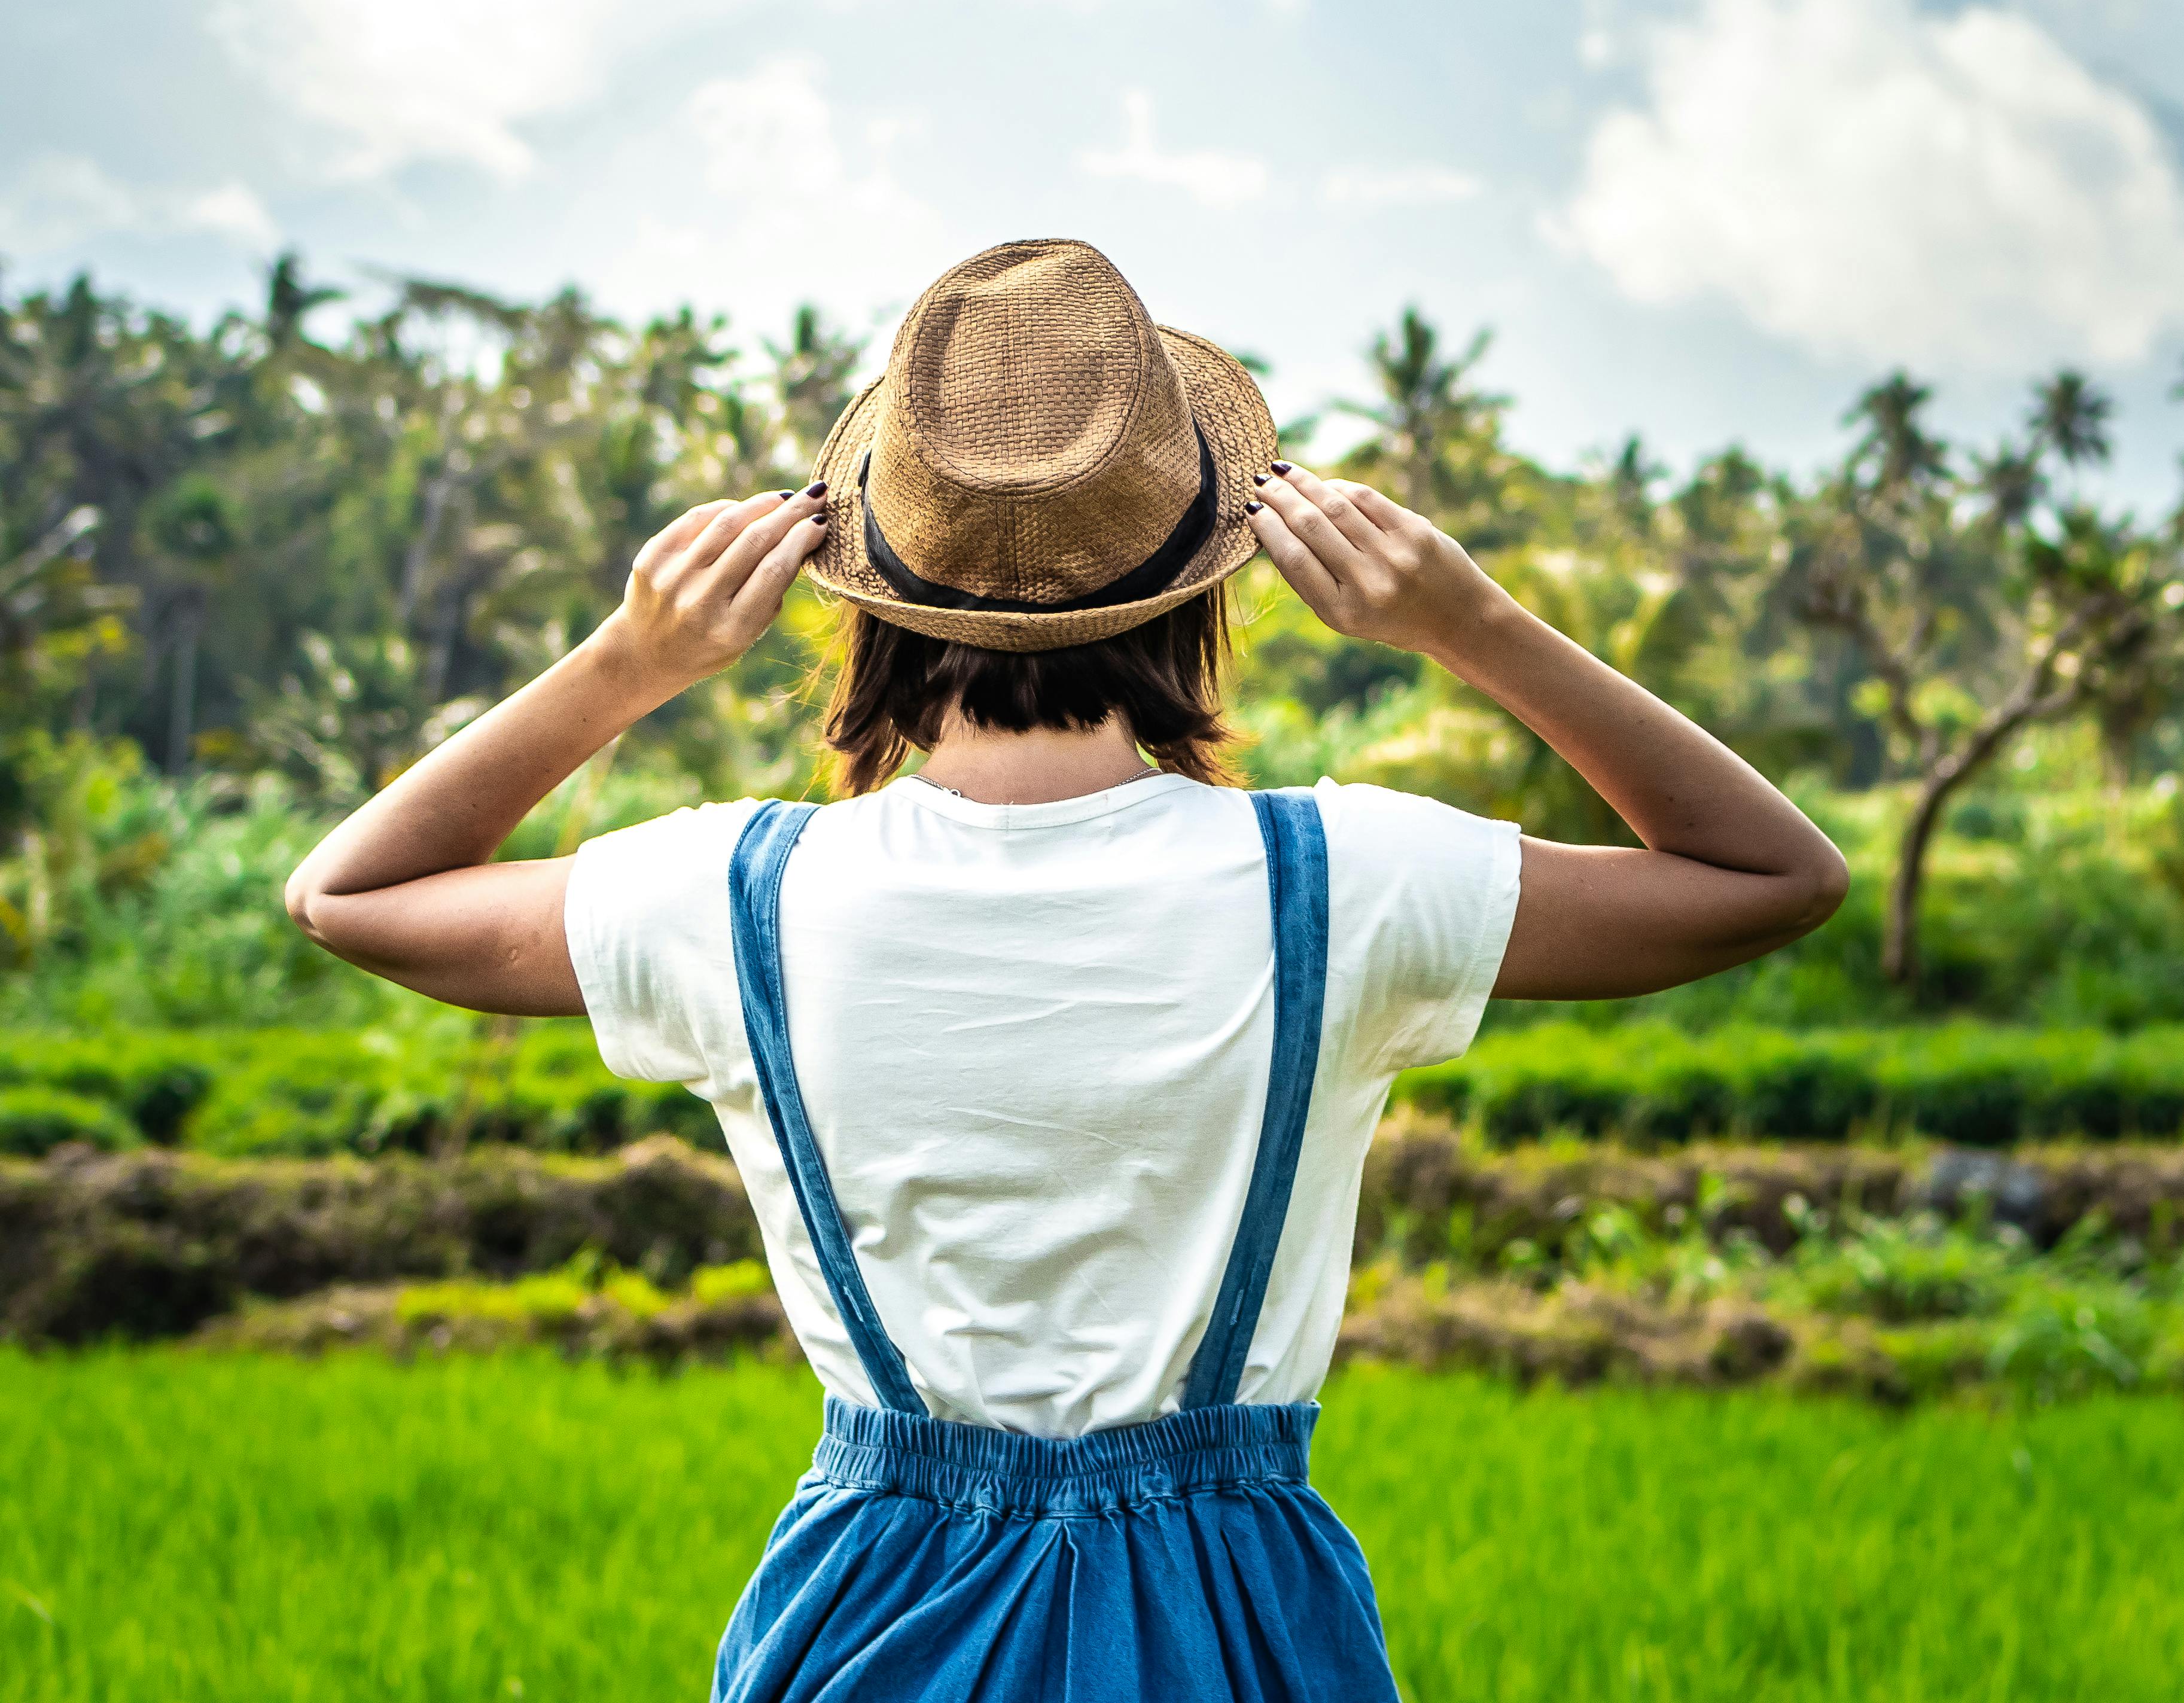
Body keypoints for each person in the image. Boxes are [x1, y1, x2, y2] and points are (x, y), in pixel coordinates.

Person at [280, 237, 1850, 1701]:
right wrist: (1475, 622)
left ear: (863, 587)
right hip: (1237, 1612)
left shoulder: (736, 892)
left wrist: (632, 662)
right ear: (1205, 587)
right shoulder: (1344, 879)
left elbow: (355, 892)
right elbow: (1768, 876)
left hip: (865, 1611)